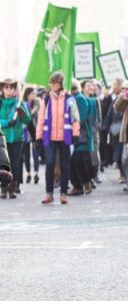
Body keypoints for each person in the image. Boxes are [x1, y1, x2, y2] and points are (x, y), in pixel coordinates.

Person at [35, 72, 81, 204]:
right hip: (49, 137)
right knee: (49, 164)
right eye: (51, 83)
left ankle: (63, 194)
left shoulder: (69, 99)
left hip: (64, 137)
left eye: (55, 83)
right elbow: (40, 120)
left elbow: (75, 118)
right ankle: (49, 193)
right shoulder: (46, 100)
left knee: (64, 165)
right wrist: (38, 138)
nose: (52, 85)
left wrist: (76, 134)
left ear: (60, 84)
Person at [1, 79, 32, 198]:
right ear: (3, 89)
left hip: (17, 139)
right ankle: (3, 188)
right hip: (3, 138)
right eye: (7, 87)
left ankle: (13, 188)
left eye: (12, 88)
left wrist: (22, 112)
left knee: (15, 164)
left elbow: (28, 120)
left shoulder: (19, 103)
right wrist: (8, 122)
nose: (9, 90)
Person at [69, 80, 99, 196]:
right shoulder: (75, 98)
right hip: (78, 134)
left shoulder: (79, 99)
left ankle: (84, 183)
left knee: (79, 160)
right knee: (75, 161)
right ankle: (79, 185)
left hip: (82, 135)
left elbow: (80, 117)